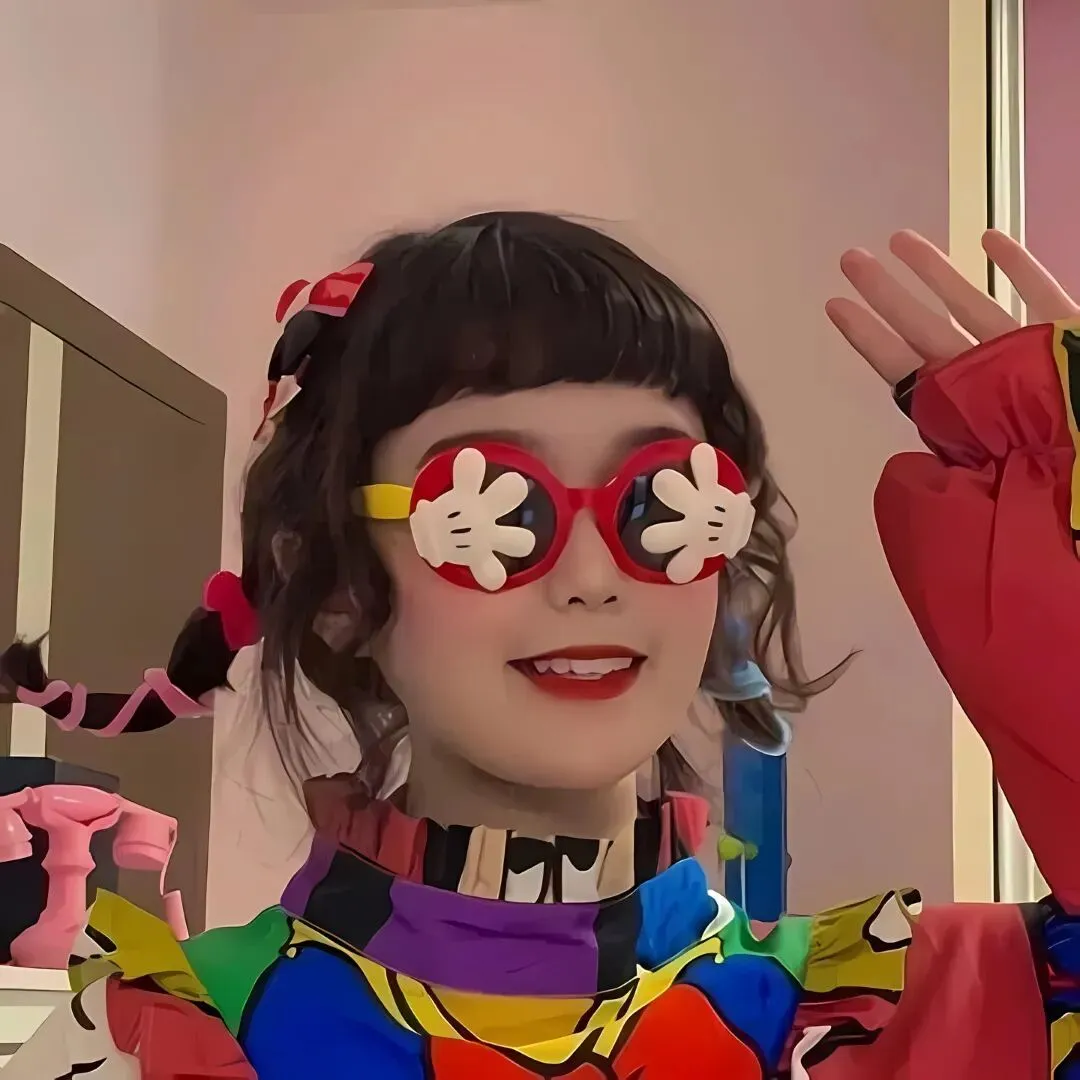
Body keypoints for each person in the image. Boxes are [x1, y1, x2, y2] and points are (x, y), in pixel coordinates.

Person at [1, 212, 1078, 1078]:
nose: (594, 576)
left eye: (663, 501)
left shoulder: (928, 1018)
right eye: (491, 508)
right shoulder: (155, 1044)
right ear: (334, 587)